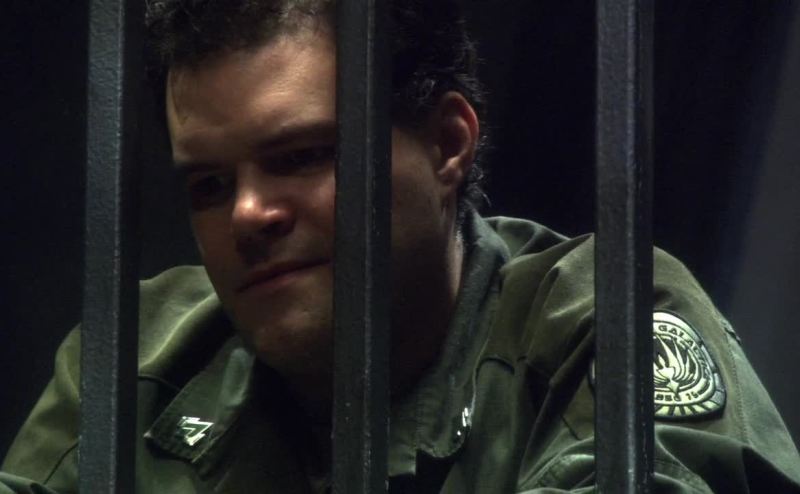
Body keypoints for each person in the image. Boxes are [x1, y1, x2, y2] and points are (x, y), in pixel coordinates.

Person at [3, 0, 800, 492]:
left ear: (448, 144)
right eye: (209, 184)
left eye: (302, 156)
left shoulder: (598, 324)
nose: (247, 214)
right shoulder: (138, 360)